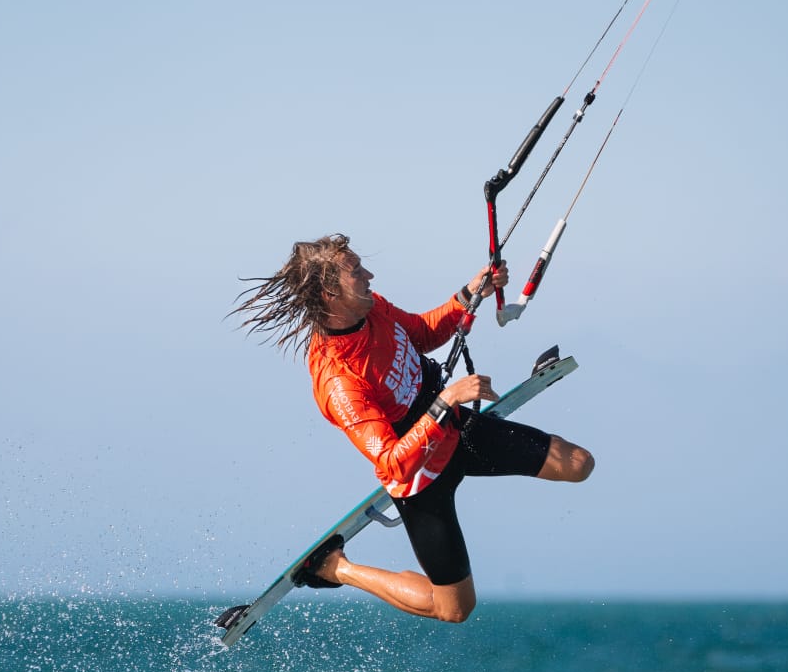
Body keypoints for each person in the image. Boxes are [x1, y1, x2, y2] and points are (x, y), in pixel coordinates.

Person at [233, 234, 594, 622]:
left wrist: (471, 293)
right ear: (329, 292)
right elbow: (391, 463)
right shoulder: (338, 380)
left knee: (578, 465)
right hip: (420, 480)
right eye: (356, 271)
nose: (369, 275)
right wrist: (446, 402)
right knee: (455, 609)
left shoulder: (370, 310)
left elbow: (420, 333)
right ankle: (336, 569)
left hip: (457, 430)